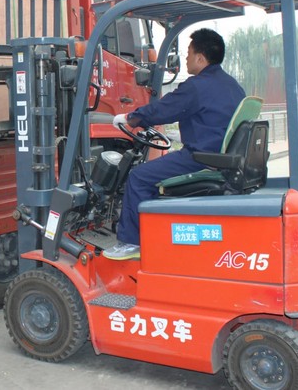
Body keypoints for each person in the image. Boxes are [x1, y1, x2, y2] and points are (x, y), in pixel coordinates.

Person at [104, 28, 245, 260]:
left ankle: (131, 242)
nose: (186, 58)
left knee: (139, 177)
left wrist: (130, 118)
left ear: (201, 58)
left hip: (200, 158)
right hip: (222, 156)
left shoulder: (197, 86)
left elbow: (164, 109)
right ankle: (153, 233)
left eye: (189, 53)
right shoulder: (233, 85)